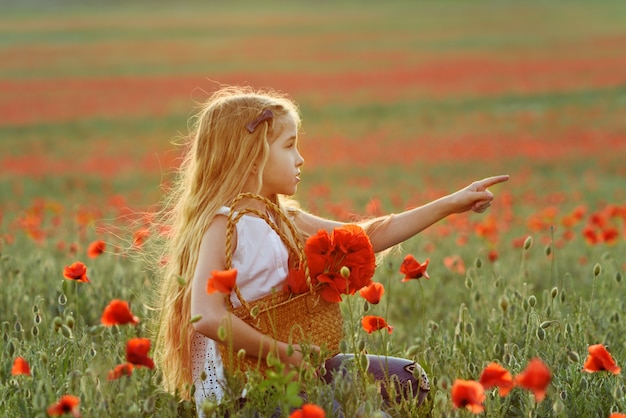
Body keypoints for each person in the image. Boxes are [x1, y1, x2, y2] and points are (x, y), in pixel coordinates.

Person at [150, 85, 509, 414]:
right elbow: (207, 315)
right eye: (289, 146)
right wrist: (285, 355)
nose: (300, 159)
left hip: (297, 364)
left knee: (408, 380)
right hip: (248, 388)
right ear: (252, 154)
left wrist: (452, 203)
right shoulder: (222, 223)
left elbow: (367, 235)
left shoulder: (282, 218)